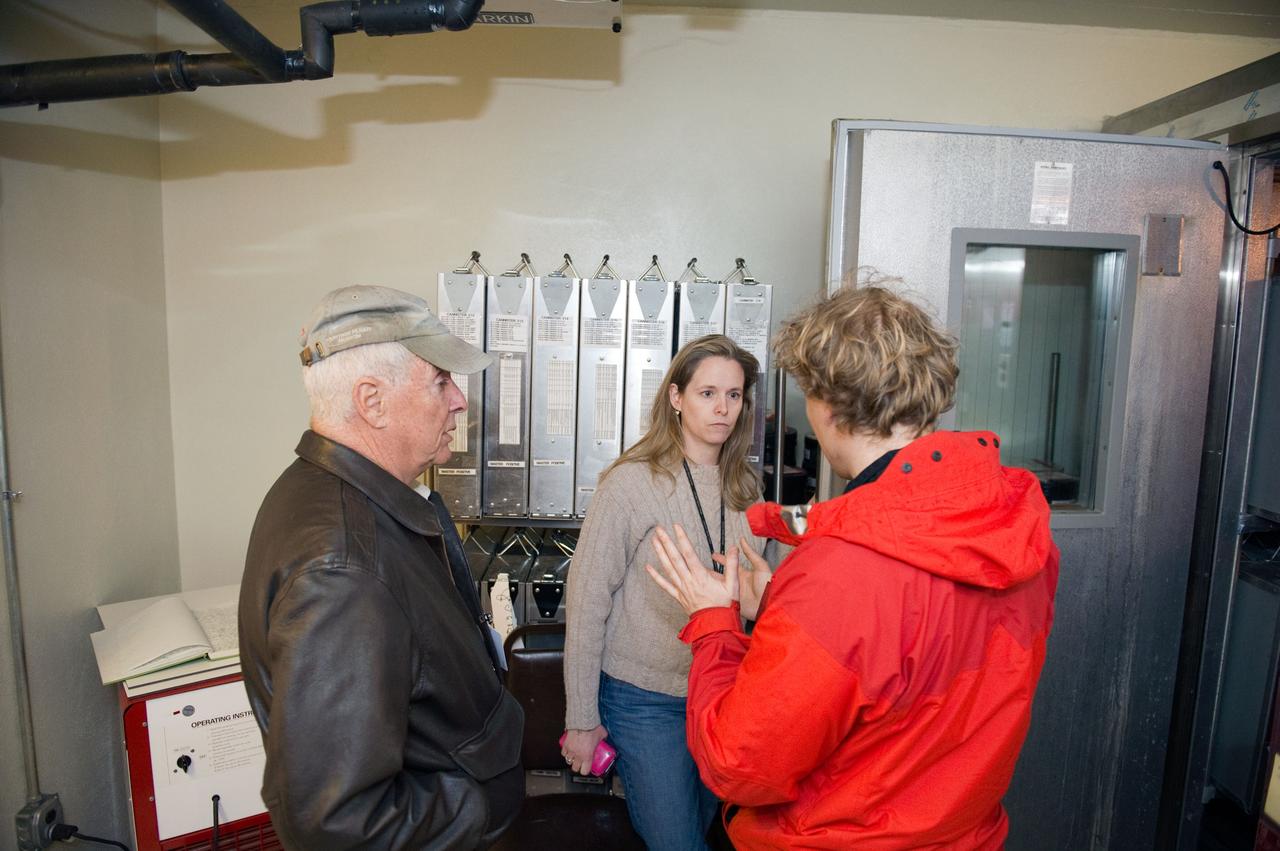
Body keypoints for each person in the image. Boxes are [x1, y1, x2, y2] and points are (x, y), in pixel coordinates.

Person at [647, 284, 1060, 849]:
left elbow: (740, 764)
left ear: (831, 407)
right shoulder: (1012, 519)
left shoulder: (838, 575)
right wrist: (778, 607)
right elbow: (915, 657)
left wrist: (715, 623)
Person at [239, 285, 524, 850]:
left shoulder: (335, 494)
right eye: (441, 381)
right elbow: (338, 823)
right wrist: (480, 804)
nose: (460, 401)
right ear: (371, 401)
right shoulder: (342, 569)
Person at [562, 334, 771, 851]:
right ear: (676, 398)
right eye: (707, 393)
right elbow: (588, 604)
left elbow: (770, 607)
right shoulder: (631, 485)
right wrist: (582, 720)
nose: (723, 408)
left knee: (705, 833)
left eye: (734, 395)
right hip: (644, 698)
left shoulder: (748, 490)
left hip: (722, 695)